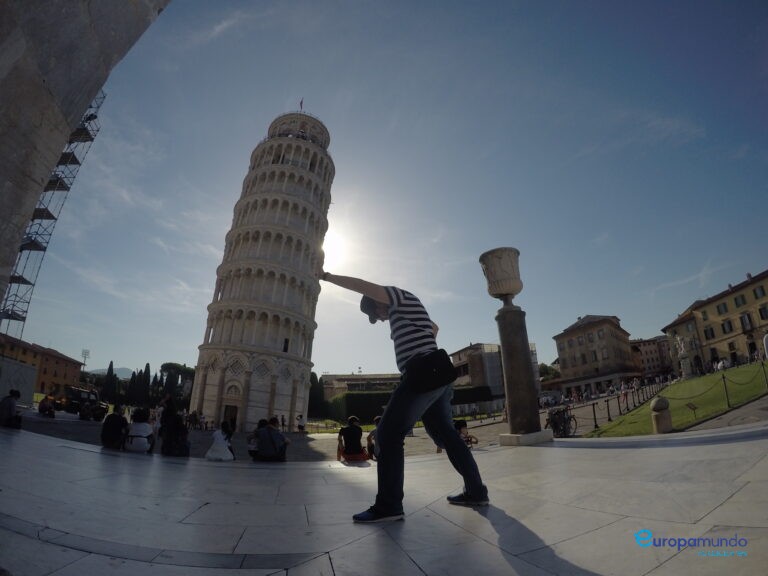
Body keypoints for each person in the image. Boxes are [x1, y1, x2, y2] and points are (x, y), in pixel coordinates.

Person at [320, 270, 488, 523]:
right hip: (438, 375)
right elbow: (434, 327)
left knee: (387, 435)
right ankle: (476, 491)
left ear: (377, 302)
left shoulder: (397, 297)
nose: (380, 318)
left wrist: (327, 276)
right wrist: (425, 343)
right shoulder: (406, 310)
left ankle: (389, 506)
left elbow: (362, 285)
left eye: (375, 314)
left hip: (422, 372)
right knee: (447, 436)